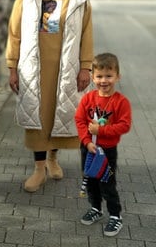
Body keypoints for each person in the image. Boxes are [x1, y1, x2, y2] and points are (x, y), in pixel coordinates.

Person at [5, 0, 94, 193]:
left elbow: (87, 33)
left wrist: (86, 67)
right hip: (34, 68)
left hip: (65, 67)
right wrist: (12, 67)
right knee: (38, 117)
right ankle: (39, 168)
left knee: (59, 113)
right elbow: (14, 33)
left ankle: (53, 158)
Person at [75, 53, 132, 236]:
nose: (103, 80)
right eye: (99, 76)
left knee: (107, 182)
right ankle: (95, 208)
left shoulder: (121, 102)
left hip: (107, 151)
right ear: (93, 77)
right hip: (88, 149)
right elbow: (80, 120)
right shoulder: (88, 99)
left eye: (109, 76)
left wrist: (101, 131)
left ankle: (115, 216)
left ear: (117, 77)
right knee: (91, 180)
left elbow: (124, 125)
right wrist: (86, 141)